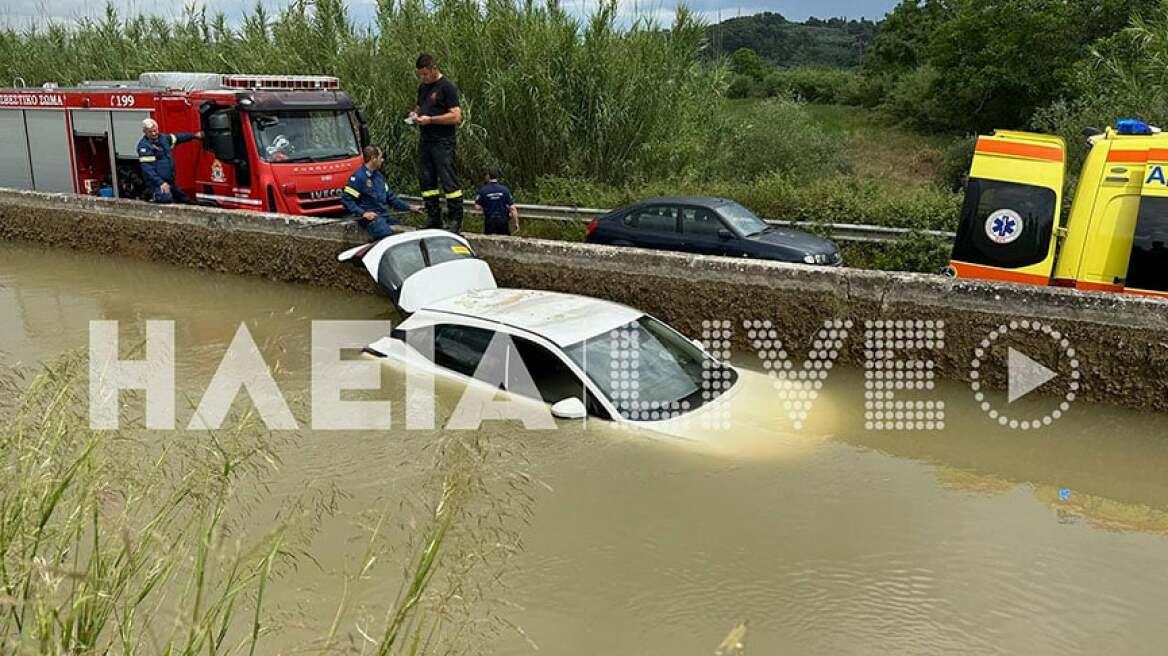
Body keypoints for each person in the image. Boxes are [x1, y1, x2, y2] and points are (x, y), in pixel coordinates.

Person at [410, 53, 464, 233]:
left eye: (425, 74)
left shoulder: (447, 87)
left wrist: (431, 120)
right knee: (426, 181)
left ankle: (455, 220)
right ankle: (434, 217)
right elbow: (420, 106)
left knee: (448, 181)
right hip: (426, 140)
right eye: (421, 75)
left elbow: (456, 116)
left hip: (443, 142)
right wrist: (414, 115)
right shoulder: (423, 88)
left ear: (434, 68)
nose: (424, 78)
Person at [342, 145, 420, 240]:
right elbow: (346, 199)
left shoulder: (379, 177)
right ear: (373, 159)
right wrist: (363, 213)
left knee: (403, 230)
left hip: (383, 215)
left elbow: (390, 197)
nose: (382, 160)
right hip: (371, 219)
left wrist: (409, 207)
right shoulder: (358, 177)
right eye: (380, 157)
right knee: (386, 234)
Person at [137, 118, 202, 204]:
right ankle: (151, 195)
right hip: (157, 182)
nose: (154, 133)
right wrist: (160, 183)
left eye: (155, 130)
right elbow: (148, 169)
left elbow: (179, 137)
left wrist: (194, 136)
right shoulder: (144, 146)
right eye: (150, 132)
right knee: (165, 199)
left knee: (186, 200)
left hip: (169, 181)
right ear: (145, 132)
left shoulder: (164, 138)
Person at [474, 167, 519, 235]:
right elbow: (513, 208)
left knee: (489, 242)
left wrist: (485, 206)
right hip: (503, 221)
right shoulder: (505, 190)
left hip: (489, 221)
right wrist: (516, 223)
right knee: (504, 241)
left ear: (488, 176)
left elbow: (477, 207)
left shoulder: (483, 190)